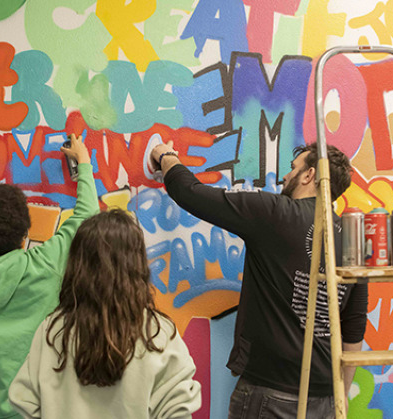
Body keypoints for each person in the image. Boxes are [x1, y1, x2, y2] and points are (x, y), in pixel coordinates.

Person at [149, 141, 368, 418]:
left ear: (309, 175)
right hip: (325, 397)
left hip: (272, 394)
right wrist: (341, 396)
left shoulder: (276, 213)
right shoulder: (352, 241)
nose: (285, 177)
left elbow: (191, 193)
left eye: (293, 169)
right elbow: (353, 327)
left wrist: (164, 155)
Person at [0, 133, 99, 419]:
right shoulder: (43, 263)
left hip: (2, 408)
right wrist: (83, 161)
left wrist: (1, 354)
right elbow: (88, 215)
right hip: (50, 406)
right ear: (25, 233)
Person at [8, 209, 202, 418]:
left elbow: (24, 398)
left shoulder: (54, 329)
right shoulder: (158, 333)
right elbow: (178, 410)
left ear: (78, 264)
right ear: (136, 265)